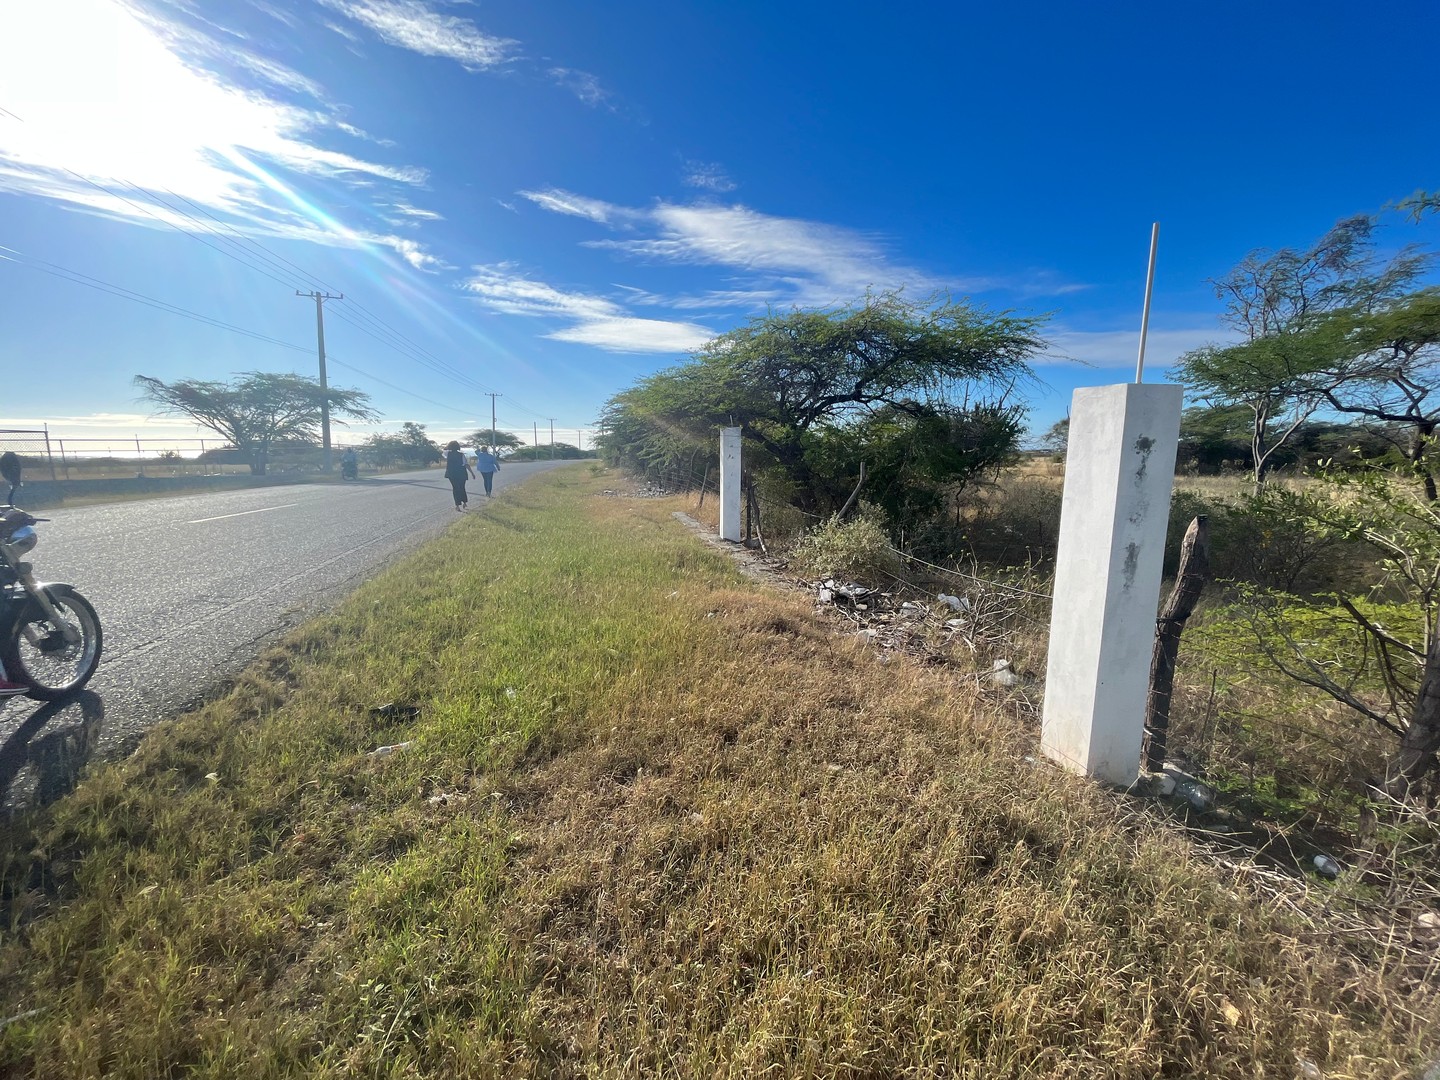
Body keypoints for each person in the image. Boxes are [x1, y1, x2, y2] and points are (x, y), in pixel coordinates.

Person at [442, 440, 473, 511]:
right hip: (461, 473)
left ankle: (457, 505)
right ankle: (464, 502)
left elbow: (443, 451)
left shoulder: (447, 454)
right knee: (462, 487)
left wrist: (447, 446)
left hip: (451, 473)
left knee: (455, 488)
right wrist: (472, 473)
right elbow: (466, 464)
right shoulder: (461, 455)